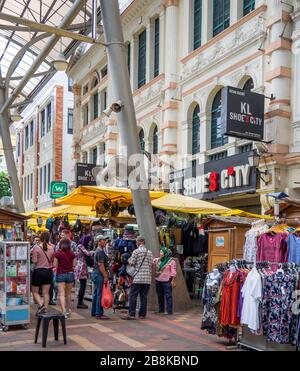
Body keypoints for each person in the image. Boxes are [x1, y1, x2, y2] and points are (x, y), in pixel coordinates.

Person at [122, 236, 153, 320]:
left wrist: (128, 260)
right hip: (147, 278)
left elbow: (131, 263)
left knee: (133, 295)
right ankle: (142, 314)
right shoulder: (150, 252)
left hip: (138, 277)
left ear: (140, 242)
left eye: (136, 242)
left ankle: (132, 314)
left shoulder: (136, 251)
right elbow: (151, 265)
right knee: (144, 296)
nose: (136, 243)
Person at [31, 231, 54, 315]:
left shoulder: (36, 248)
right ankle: (45, 309)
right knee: (46, 293)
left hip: (38, 272)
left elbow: (34, 261)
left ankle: (41, 305)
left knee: (34, 291)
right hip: (48, 272)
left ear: (40, 238)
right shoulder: (52, 248)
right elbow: (52, 261)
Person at [53, 239, 76, 318]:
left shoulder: (57, 254)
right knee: (68, 294)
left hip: (61, 274)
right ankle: (68, 310)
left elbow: (55, 265)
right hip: (70, 274)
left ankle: (63, 312)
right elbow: (74, 264)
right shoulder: (72, 254)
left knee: (62, 294)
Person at [91, 235, 110, 320]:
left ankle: (94, 311)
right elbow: (101, 265)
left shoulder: (99, 251)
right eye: (104, 240)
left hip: (96, 273)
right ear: (99, 241)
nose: (105, 242)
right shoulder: (100, 252)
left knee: (96, 293)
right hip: (99, 274)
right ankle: (99, 313)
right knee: (100, 294)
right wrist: (105, 276)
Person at [153, 247, 177, 315]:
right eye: (160, 252)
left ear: (165, 253)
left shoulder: (171, 261)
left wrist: (173, 280)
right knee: (160, 295)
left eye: (161, 252)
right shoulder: (158, 260)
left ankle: (169, 311)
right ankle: (161, 310)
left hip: (166, 281)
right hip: (158, 280)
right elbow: (152, 261)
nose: (160, 253)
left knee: (168, 296)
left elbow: (173, 272)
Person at [75, 235, 94, 309]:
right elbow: (87, 253)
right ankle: (79, 303)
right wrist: (95, 251)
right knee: (83, 285)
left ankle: (80, 301)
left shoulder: (79, 246)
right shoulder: (81, 246)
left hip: (82, 266)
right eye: (88, 241)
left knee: (83, 285)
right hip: (81, 267)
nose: (89, 243)